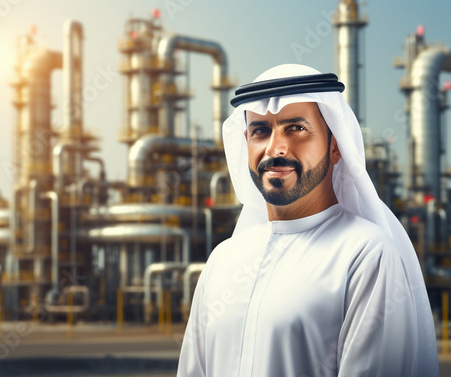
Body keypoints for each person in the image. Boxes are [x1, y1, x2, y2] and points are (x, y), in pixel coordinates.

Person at [176, 64, 439, 377]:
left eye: (296, 128)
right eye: (260, 131)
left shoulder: (366, 255)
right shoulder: (223, 260)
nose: (275, 148)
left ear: (336, 145)